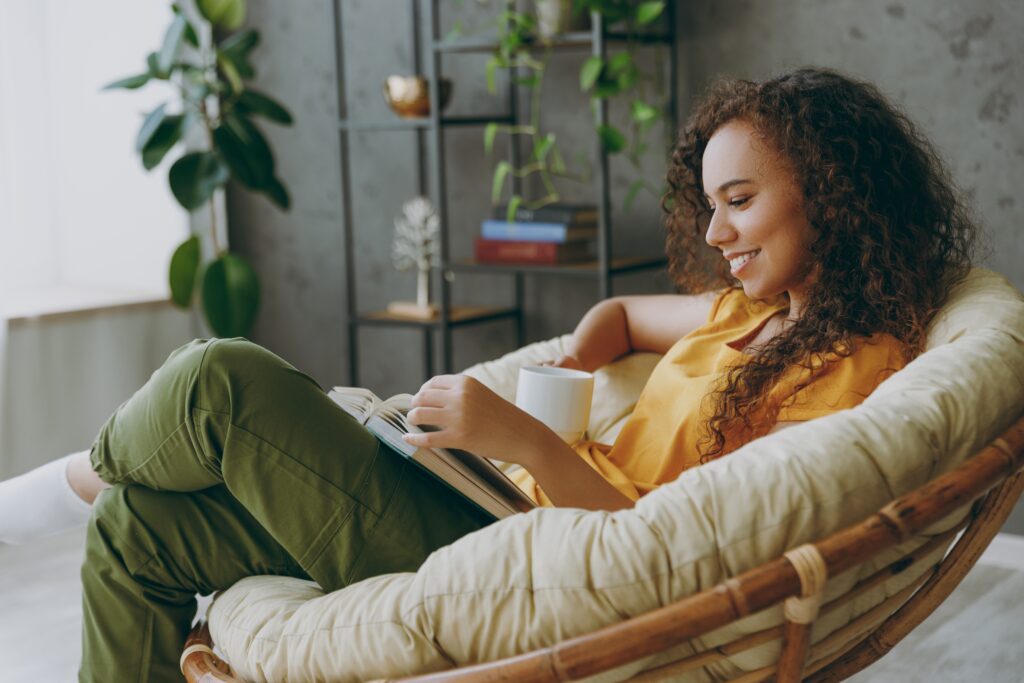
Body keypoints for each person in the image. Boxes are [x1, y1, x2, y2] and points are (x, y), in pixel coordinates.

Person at [0, 67, 976, 682]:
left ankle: (49, 494)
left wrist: (520, 438)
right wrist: (581, 357)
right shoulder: (749, 314)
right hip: (485, 504)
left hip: (532, 562)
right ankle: (93, 496)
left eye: (739, 201)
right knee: (142, 527)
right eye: (707, 203)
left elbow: (671, 551)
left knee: (222, 378)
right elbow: (628, 312)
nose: (714, 233)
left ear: (832, 198)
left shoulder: (852, 371)